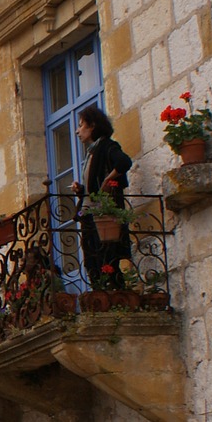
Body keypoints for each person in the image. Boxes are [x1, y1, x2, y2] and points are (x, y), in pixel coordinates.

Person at [68, 105, 133, 286]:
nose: (77, 131)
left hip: (103, 215)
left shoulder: (107, 146)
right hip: (91, 213)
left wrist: (108, 180)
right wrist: (82, 190)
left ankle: (113, 294)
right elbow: (94, 186)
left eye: (81, 125)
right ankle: (101, 294)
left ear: (93, 126)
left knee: (106, 257)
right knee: (92, 260)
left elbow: (124, 162)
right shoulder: (93, 152)